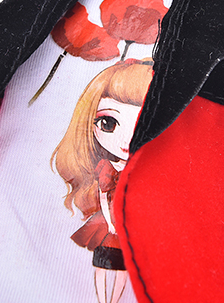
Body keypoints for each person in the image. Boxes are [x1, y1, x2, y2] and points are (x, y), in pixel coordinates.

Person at [52, 59, 153, 303]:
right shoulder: (107, 168)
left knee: (124, 270)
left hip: (137, 229)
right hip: (110, 226)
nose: (125, 140)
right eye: (108, 123)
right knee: (104, 266)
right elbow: (103, 196)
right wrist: (111, 223)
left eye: (143, 123)